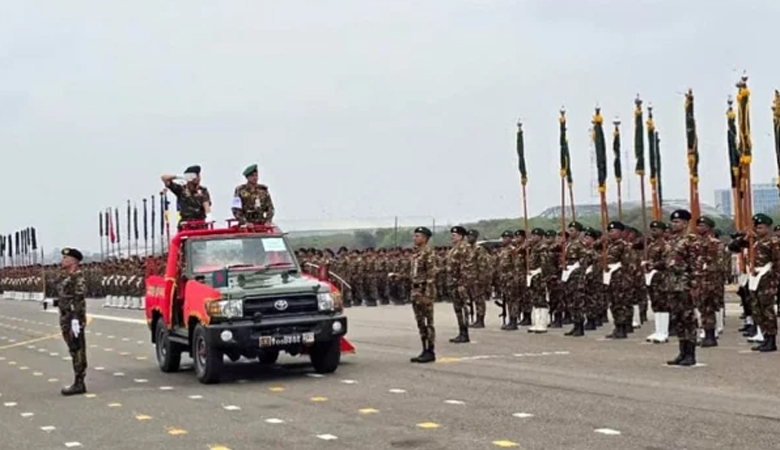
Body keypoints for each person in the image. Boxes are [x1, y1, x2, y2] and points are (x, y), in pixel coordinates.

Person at [56, 247, 88, 395]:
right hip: (66, 317)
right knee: (73, 349)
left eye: (66, 258)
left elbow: (79, 298)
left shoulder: (77, 277)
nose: (63, 260)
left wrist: (76, 318)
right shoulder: (67, 276)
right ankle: (78, 380)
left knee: (78, 349)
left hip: (73, 319)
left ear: (74, 261)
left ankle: (79, 382)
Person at [410, 227, 438, 363]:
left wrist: (427, 295)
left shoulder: (428, 253)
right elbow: (414, 274)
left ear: (425, 238)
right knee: (421, 323)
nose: (414, 238)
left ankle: (430, 351)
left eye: (417, 236)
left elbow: (431, 275)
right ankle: (424, 349)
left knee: (428, 323)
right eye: (414, 236)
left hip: (424, 292)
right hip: (416, 292)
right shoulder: (416, 253)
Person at [446, 226, 474, 343]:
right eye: (451, 235)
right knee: (457, 308)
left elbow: (466, 267)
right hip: (453, 282)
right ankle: (461, 331)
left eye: (454, 235)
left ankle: (465, 333)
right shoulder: (454, 249)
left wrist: (463, 283)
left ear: (461, 236)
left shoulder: (464, 248)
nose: (452, 237)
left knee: (463, 308)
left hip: (460, 282)